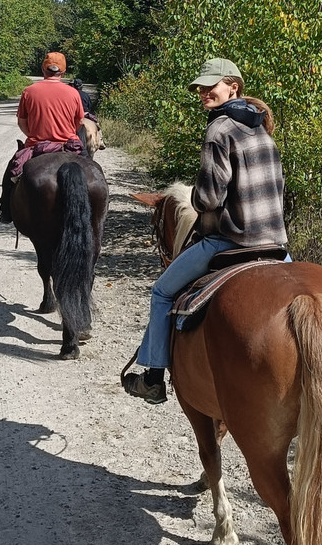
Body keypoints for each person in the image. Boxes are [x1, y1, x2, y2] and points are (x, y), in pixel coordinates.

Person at [123, 58, 288, 404]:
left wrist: (197, 197)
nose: (203, 92)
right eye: (201, 87)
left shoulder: (219, 130)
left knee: (161, 292)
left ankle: (153, 378)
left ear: (233, 87)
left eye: (211, 86)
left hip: (230, 241)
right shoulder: (262, 129)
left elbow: (208, 199)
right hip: (275, 244)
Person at [0, 52, 86, 223]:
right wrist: (67, 132)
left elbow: (22, 122)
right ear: (63, 72)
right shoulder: (73, 93)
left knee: (11, 173)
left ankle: (5, 211)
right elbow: (80, 121)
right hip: (68, 146)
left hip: (37, 146)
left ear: (43, 69)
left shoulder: (29, 91)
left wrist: (34, 135)